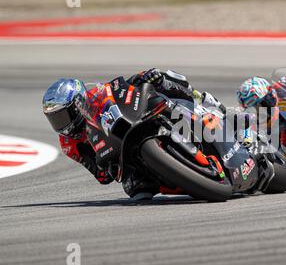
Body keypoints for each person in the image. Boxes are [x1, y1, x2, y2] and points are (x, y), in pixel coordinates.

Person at [43, 68, 224, 200]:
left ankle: (200, 100)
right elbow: (102, 177)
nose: (62, 125)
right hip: (124, 157)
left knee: (160, 77)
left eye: (63, 116)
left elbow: (121, 88)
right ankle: (189, 181)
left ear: (78, 105)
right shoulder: (69, 144)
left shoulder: (95, 96)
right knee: (137, 191)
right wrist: (102, 163)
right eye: (55, 119)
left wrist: (142, 77)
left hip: (135, 120)